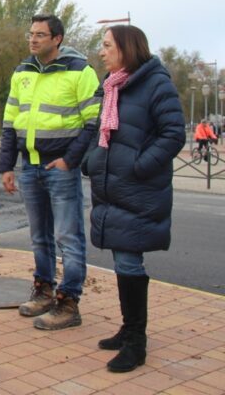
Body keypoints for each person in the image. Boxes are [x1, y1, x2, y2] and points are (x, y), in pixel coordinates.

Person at [82, 25, 185, 373]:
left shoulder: (156, 83)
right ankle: (128, 329)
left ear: (127, 48)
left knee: (128, 262)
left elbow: (174, 134)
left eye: (107, 45)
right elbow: (101, 132)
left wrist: (140, 166)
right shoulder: (113, 86)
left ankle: (136, 343)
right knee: (121, 259)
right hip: (113, 188)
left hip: (138, 188)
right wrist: (91, 162)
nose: (102, 52)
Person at [0, 14, 101, 330]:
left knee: (67, 236)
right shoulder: (22, 72)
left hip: (60, 168)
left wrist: (69, 160)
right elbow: (10, 121)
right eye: (31, 34)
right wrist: (6, 165)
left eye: (40, 34)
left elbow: (92, 122)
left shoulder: (80, 71)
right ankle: (43, 290)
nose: (33, 40)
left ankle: (69, 303)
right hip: (29, 166)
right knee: (40, 236)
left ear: (57, 38)